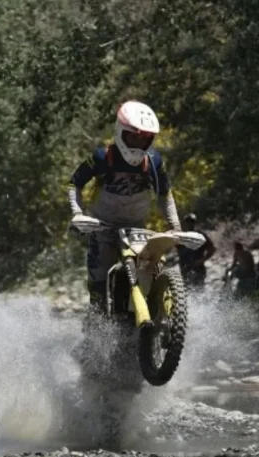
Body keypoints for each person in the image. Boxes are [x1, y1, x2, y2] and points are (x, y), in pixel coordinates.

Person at [67, 100, 182, 338]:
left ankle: (159, 314)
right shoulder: (102, 157)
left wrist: (175, 227)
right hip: (103, 227)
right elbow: (74, 183)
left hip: (136, 228)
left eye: (145, 139)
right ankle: (96, 337)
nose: (139, 143)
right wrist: (77, 213)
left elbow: (164, 194)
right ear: (120, 132)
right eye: (134, 137)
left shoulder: (153, 162)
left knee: (152, 269)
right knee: (98, 284)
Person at [177, 213, 216, 291]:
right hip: (185, 269)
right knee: (187, 292)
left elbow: (212, 249)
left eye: (191, 221)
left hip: (197, 268)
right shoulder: (180, 236)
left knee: (198, 292)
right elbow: (178, 250)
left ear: (194, 223)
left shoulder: (200, 235)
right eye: (187, 221)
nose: (189, 223)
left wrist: (202, 260)